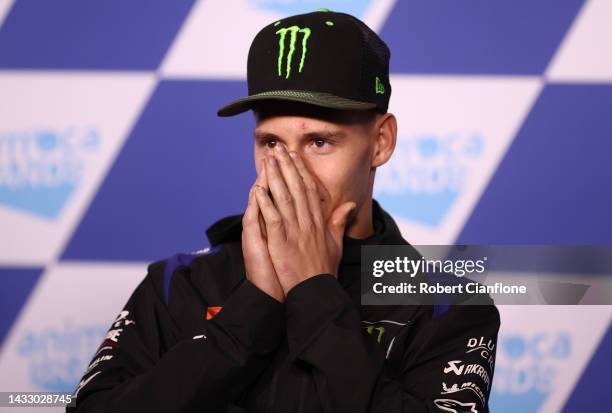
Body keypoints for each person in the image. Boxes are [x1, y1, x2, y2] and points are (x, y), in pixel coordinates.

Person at [68, 9, 500, 413]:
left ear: (381, 142)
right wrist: (252, 310)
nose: (289, 173)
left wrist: (315, 294)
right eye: (271, 143)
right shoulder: (177, 284)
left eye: (319, 142)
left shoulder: (449, 306)